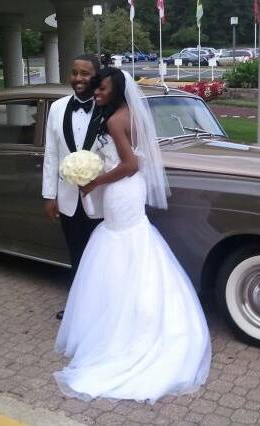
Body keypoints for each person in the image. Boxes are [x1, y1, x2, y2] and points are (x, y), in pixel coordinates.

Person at [53, 68, 211, 404]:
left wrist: (95, 180)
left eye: (102, 88)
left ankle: (124, 328)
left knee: (121, 242)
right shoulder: (130, 115)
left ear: (118, 89)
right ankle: (133, 316)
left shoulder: (113, 121)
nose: (96, 92)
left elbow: (130, 164)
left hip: (121, 189)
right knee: (133, 243)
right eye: (95, 88)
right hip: (128, 192)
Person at [42, 54, 103, 320]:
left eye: (85, 74)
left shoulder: (108, 108)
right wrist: (49, 195)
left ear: (96, 77)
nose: (78, 79)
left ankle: (103, 309)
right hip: (67, 197)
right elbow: (51, 154)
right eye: (74, 72)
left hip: (102, 198)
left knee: (101, 257)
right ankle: (78, 308)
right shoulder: (56, 108)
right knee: (76, 254)